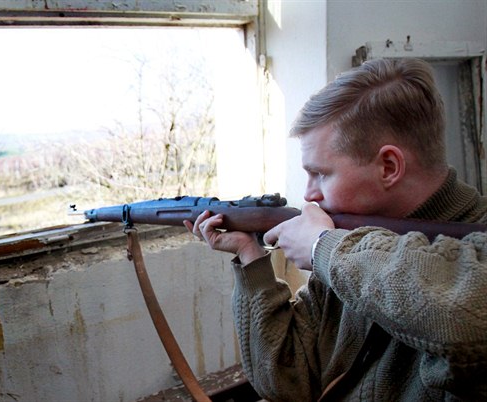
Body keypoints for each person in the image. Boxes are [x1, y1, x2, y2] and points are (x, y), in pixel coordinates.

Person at [184, 58, 487, 401]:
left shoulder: (339, 250)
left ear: (389, 166)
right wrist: (250, 256)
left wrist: (321, 247)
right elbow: (286, 381)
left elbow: (465, 319)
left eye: (321, 174)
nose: (309, 194)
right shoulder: (349, 245)